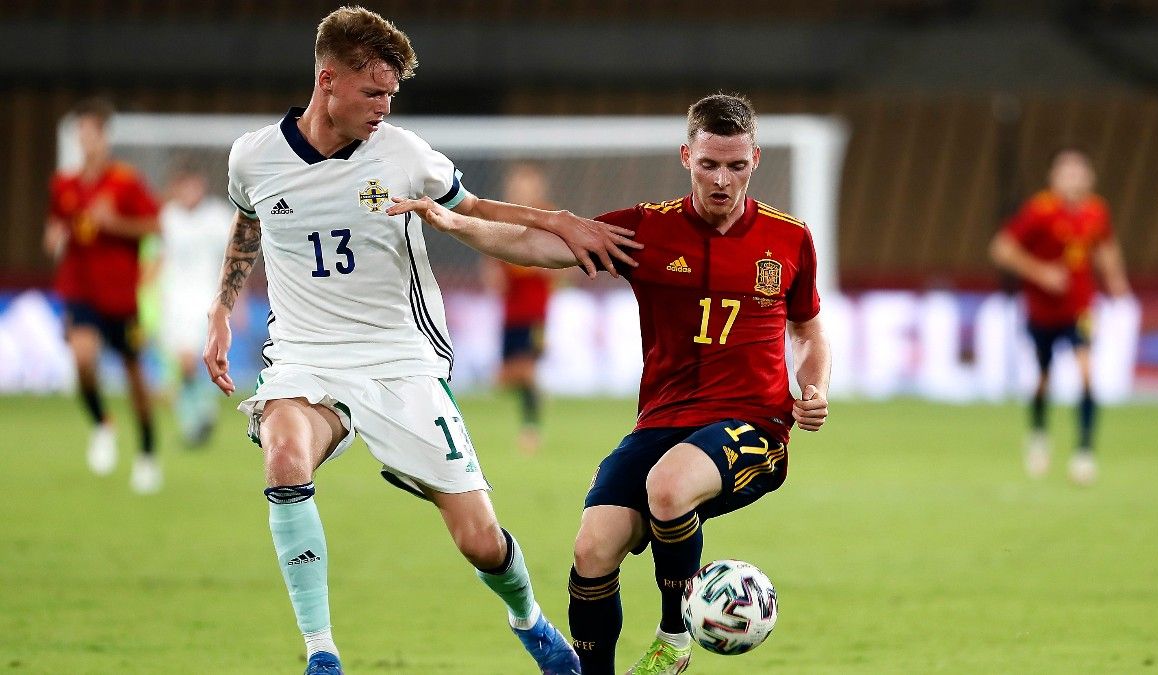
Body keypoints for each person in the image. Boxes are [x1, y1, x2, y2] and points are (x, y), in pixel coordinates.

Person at [202, 7, 636, 674]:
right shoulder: (254, 157)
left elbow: (480, 212)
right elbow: (249, 222)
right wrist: (222, 307)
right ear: (328, 80)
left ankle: (527, 616)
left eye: (390, 94)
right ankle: (322, 652)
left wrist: (559, 225)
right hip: (306, 358)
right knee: (285, 455)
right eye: (373, 91)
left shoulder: (403, 156)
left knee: (480, 540)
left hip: (400, 361)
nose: (383, 106)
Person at [390, 93, 831, 675]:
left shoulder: (789, 239)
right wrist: (449, 221)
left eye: (735, 165)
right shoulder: (646, 230)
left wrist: (812, 385)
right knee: (592, 550)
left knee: (669, 486)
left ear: (755, 160)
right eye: (708, 164)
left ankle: (675, 636)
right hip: (662, 421)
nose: (721, 179)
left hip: (754, 423)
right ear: (686, 157)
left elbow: (806, 328)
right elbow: (535, 246)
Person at [989, 146, 1130, 486]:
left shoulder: (1097, 211)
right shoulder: (1040, 211)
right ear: (1054, 177)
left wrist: (1116, 280)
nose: (1072, 178)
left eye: (1078, 171)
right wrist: (1041, 273)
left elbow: (1106, 246)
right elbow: (1002, 249)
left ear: (1089, 176)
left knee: (1086, 373)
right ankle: (1038, 434)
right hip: (1041, 311)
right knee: (1043, 378)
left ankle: (1084, 452)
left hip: (1080, 308)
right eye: (1066, 172)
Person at [44, 97, 164, 494]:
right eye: (81, 134)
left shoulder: (124, 182)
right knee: (81, 359)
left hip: (121, 298)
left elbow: (154, 225)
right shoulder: (64, 185)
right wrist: (55, 236)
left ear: (104, 137)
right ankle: (102, 424)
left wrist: (115, 223)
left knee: (135, 382)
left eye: (91, 134)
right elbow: (56, 227)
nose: (85, 141)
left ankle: (147, 453)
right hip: (80, 290)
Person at [154, 162, 231, 446]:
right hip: (173, 300)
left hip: (205, 300)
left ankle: (199, 417)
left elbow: (232, 262)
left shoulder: (217, 217)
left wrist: (238, 300)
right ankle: (198, 419)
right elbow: (160, 255)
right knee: (181, 365)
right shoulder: (168, 216)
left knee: (190, 362)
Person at [482, 163, 557, 455]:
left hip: (535, 312)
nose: (521, 190)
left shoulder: (547, 219)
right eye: (517, 185)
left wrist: (543, 266)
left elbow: (562, 266)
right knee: (503, 378)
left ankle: (530, 430)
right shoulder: (503, 217)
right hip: (509, 311)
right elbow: (491, 255)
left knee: (525, 369)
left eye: (527, 185)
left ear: (538, 188)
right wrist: (492, 272)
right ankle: (537, 391)